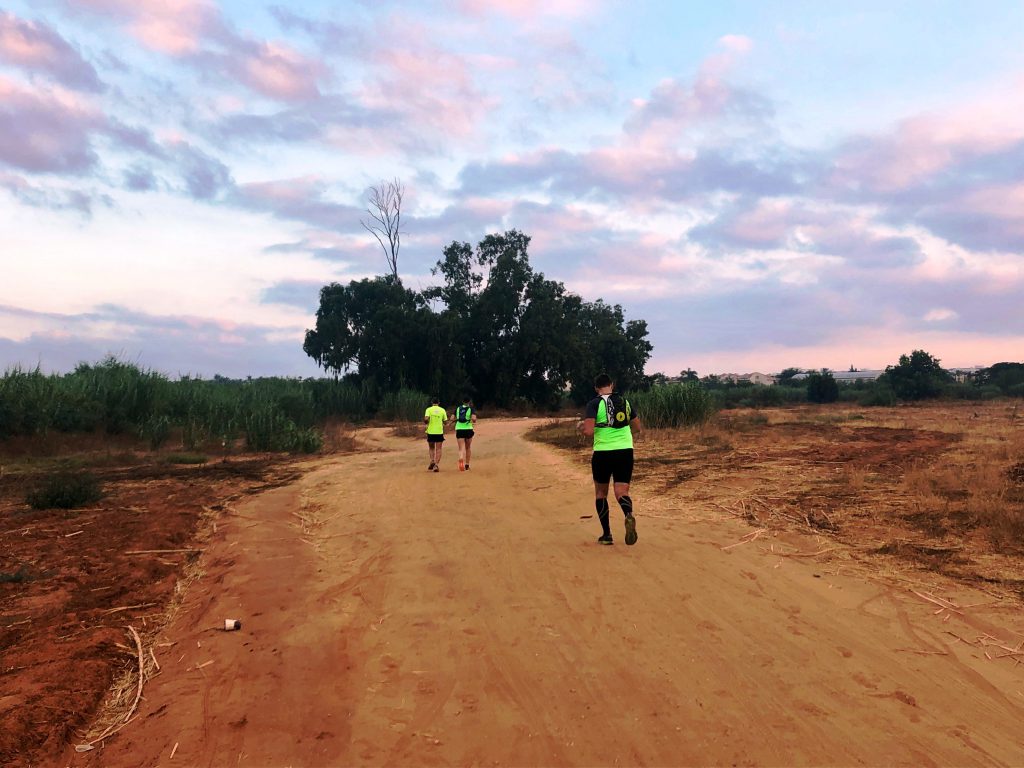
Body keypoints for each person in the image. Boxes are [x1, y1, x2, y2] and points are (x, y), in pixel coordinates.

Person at [577, 373, 642, 545]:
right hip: (625, 451)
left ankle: (607, 535)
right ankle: (628, 514)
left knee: (601, 493)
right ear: (612, 385)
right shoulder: (625, 402)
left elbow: (589, 431)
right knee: (622, 492)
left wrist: (580, 428)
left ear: (596, 388)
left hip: (603, 452)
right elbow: (638, 427)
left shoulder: (594, 404)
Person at [449, 397, 477, 471]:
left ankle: (461, 459)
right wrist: (471, 419)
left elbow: (451, 418)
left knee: (460, 448)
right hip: (468, 429)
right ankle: (467, 464)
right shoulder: (471, 409)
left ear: (462, 401)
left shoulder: (458, 408)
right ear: (469, 402)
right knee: (468, 448)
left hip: (459, 429)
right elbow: (474, 419)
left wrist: (456, 419)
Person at [423, 397, 447, 472]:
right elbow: (445, 422)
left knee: (431, 447)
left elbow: (426, 419)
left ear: (431, 402)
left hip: (430, 432)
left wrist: (427, 421)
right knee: (438, 449)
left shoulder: (428, 409)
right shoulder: (442, 410)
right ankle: (436, 465)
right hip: (439, 432)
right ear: (439, 403)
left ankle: (432, 460)